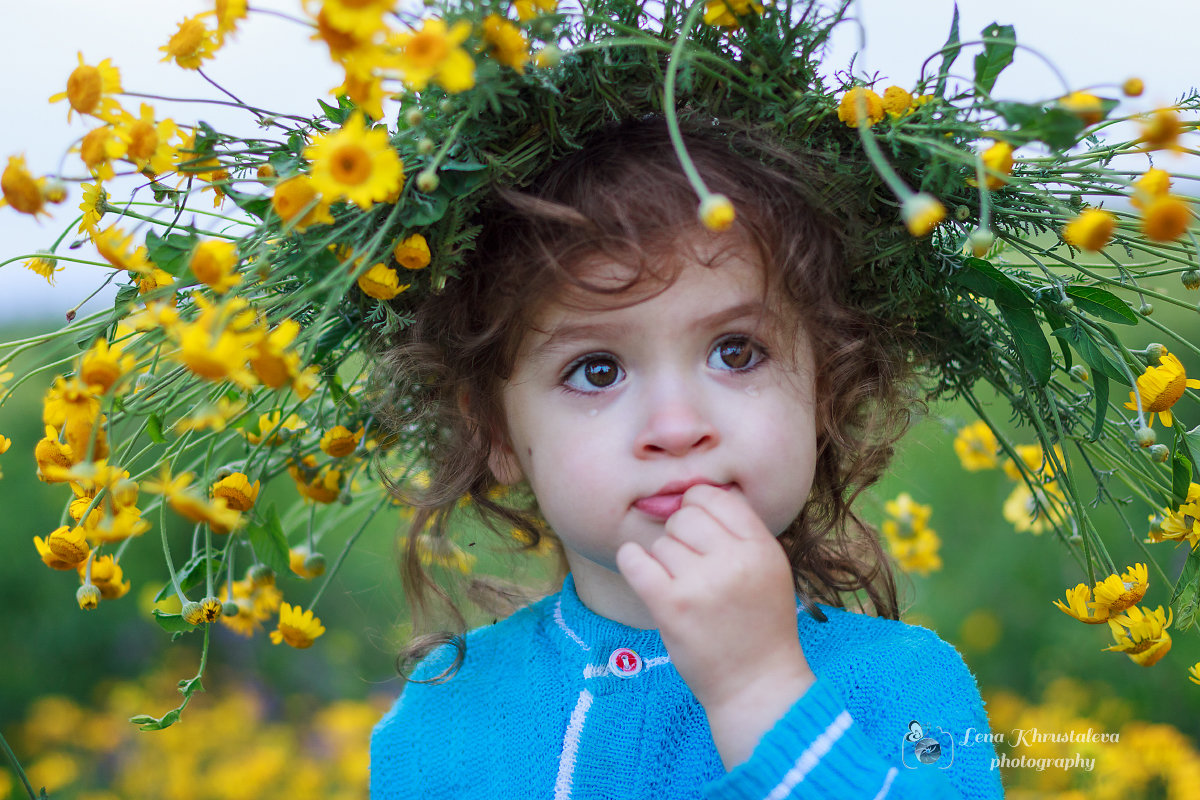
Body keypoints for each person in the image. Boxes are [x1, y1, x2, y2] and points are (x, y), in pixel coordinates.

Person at [368, 115, 1004, 799]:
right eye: (597, 370)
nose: (677, 427)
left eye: (736, 352)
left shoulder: (905, 685)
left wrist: (760, 691)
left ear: (825, 388)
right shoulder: (441, 718)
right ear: (496, 434)